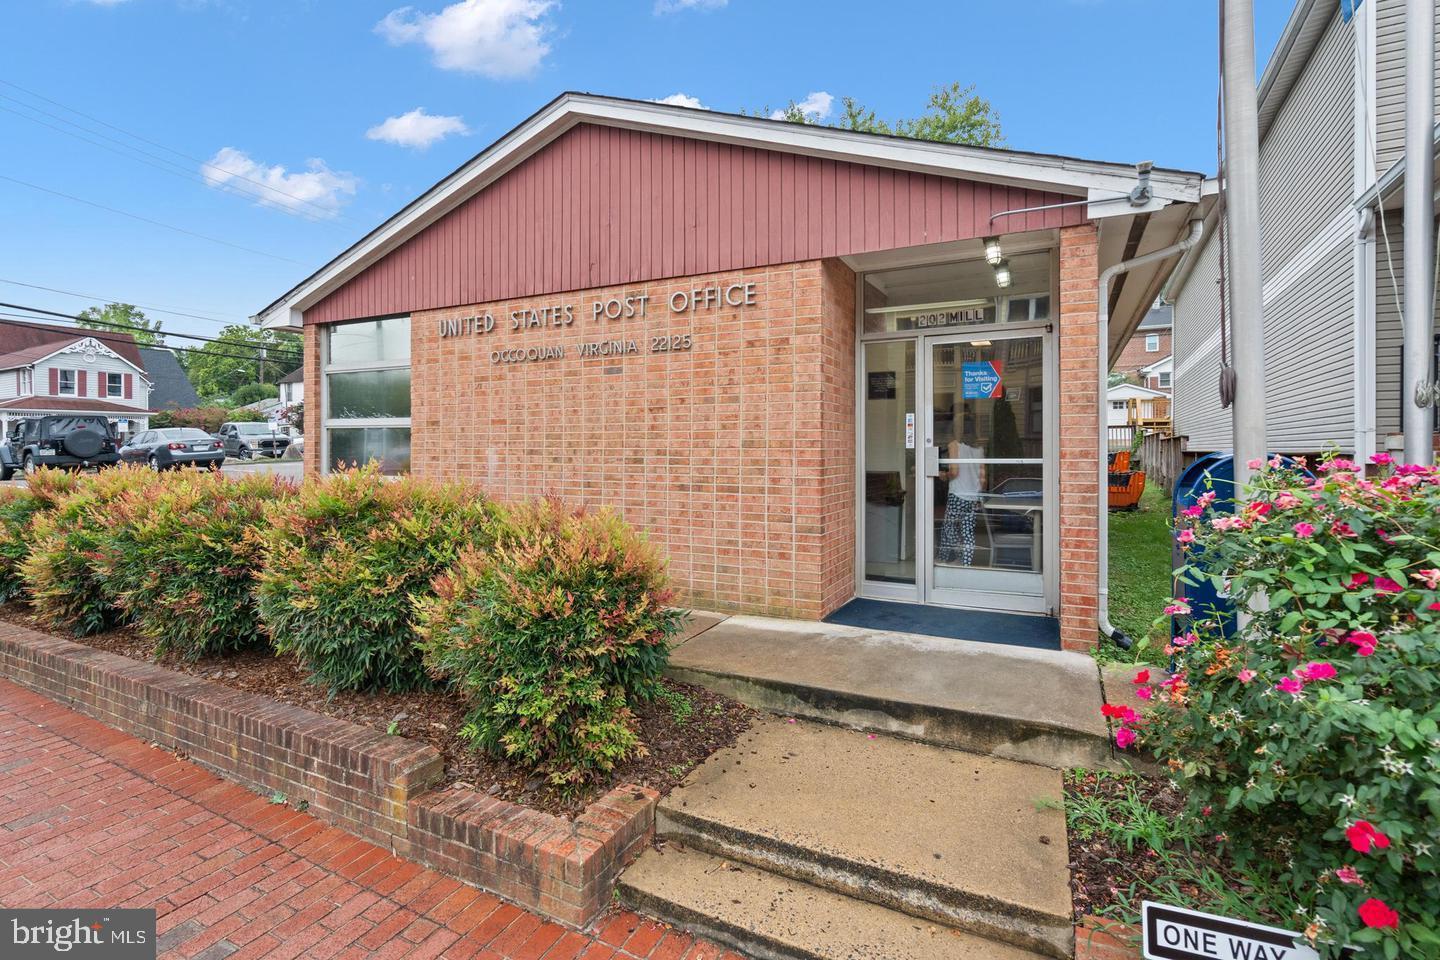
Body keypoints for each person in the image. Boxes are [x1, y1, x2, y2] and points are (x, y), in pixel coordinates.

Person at [938, 414, 985, 565]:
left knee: (950, 528)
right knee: (968, 531)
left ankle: (955, 556)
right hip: (972, 496)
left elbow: (954, 471)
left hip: (958, 494)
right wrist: (979, 495)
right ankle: (965, 563)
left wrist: (943, 475)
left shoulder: (954, 445)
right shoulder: (979, 449)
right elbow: (983, 477)